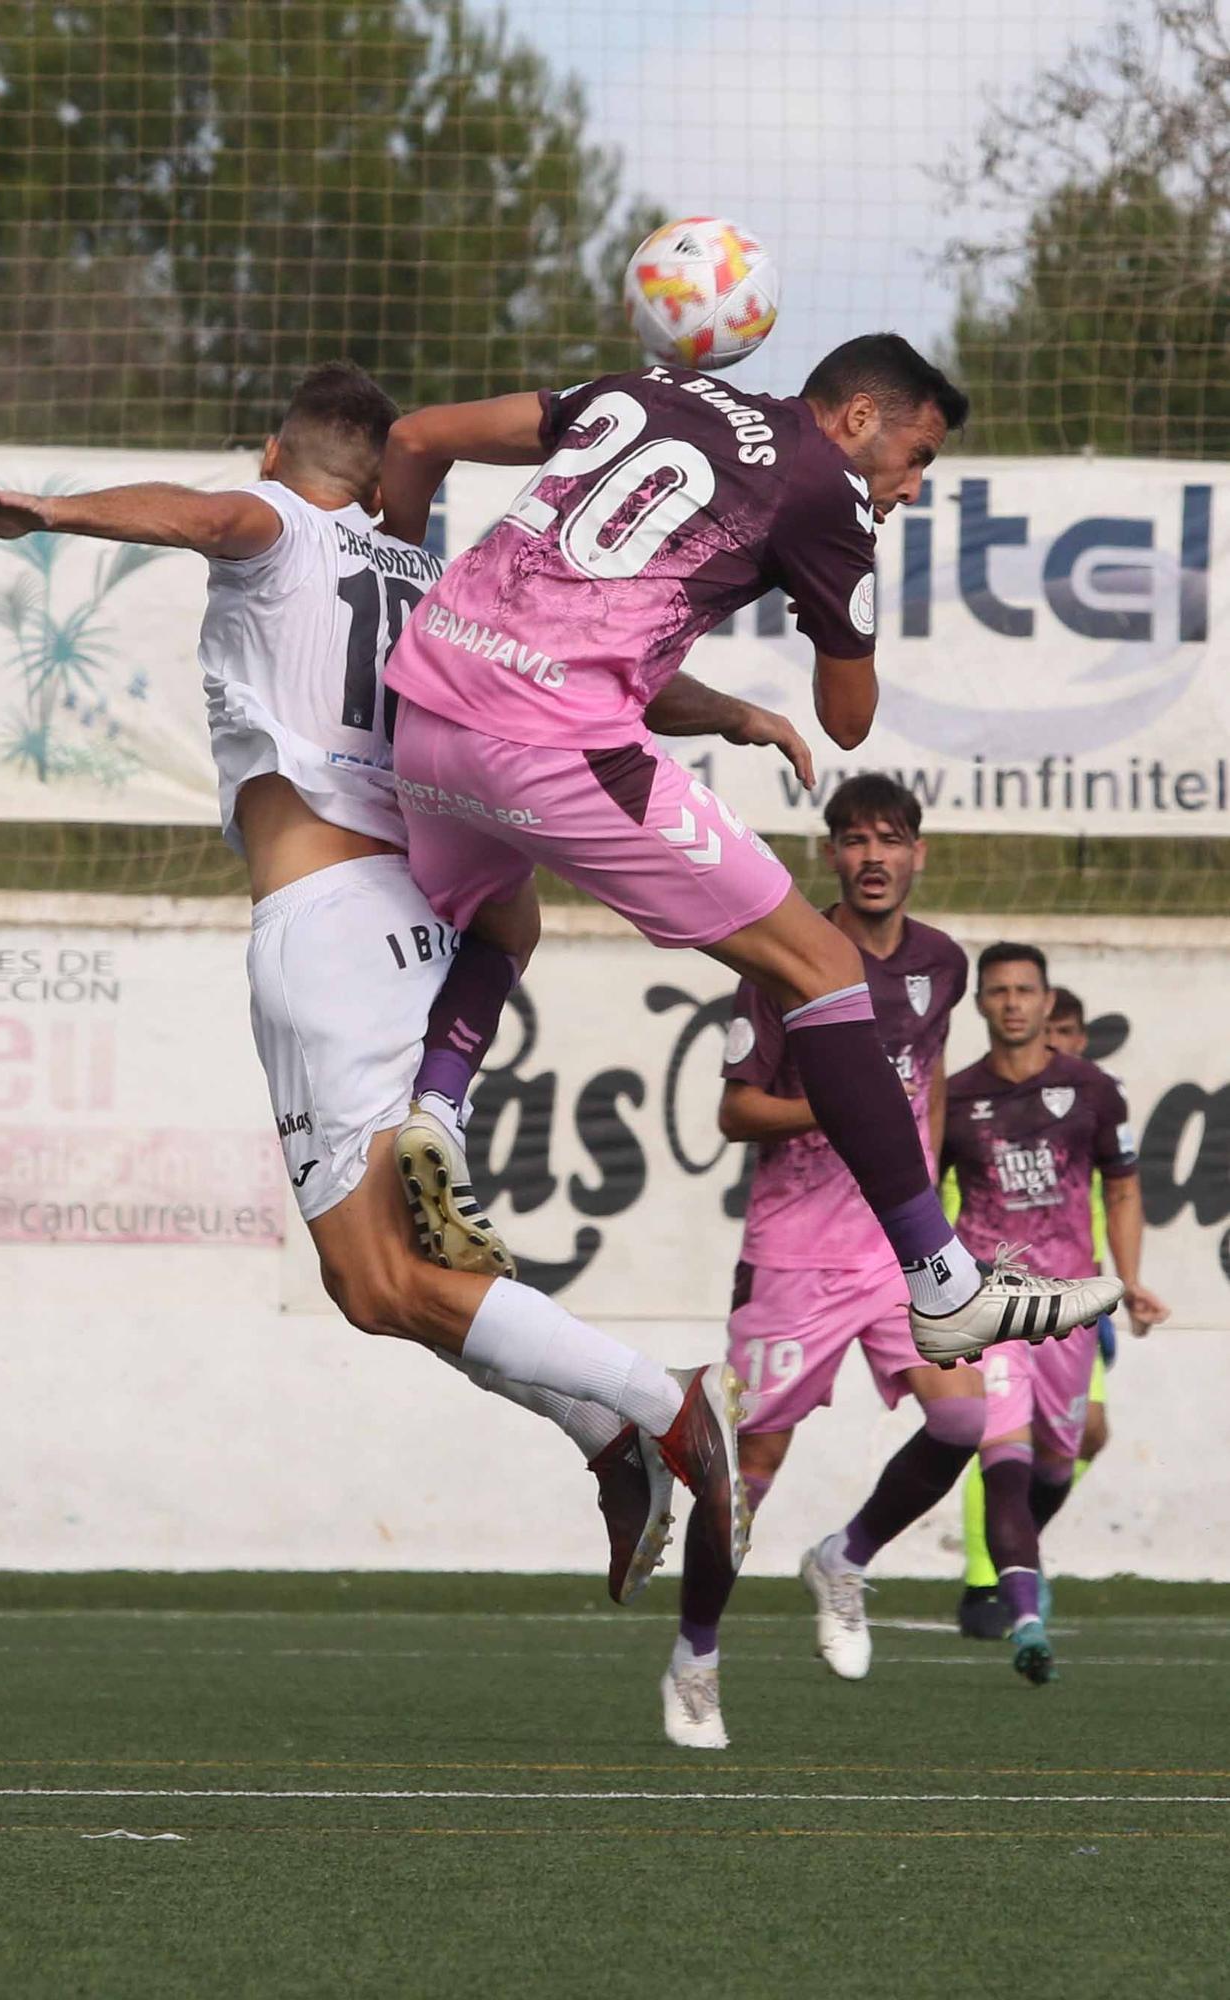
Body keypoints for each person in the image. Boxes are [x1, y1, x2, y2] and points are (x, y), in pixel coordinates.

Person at [0, 359, 817, 1597]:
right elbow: (603, 680)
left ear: (272, 450)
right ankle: (605, 1428)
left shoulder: (274, 520)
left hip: (328, 929)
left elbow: (202, 519)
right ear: (379, 470)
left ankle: (661, 1403)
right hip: (428, 916)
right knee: (376, 1281)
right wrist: (731, 711)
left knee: (385, 1280)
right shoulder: (441, 581)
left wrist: (51, 513)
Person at [378, 332, 1121, 1367]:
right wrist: (851, 560)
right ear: (860, 418)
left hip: (424, 706)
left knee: (505, 910)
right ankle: (943, 1281)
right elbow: (851, 717)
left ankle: (434, 1113)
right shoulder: (828, 491)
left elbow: (413, 439)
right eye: (916, 457)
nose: (910, 487)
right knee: (823, 967)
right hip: (550, 745)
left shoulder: (645, 386)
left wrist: (728, 710)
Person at [660, 774, 982, 1750]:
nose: (874, 855)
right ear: (830, 855)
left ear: (918, 854)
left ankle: (844, 1556)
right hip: (794, 1254)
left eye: (891, 838)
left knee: (965, 1413)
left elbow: (924, 1079)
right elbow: (733, 1112)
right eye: (854, 839)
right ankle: (696, 1657)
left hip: (896, 1243)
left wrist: (928, 1201)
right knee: (749, 1466)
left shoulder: (943, 962)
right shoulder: (781, 960)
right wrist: (846, 1107)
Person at [942, 944, 1170, 1684]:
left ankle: (1014, 1567)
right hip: (991, 1308)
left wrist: (1131, 1280)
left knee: (1058, 1461)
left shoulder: (1094, 1091)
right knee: (1000, 1458)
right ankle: (1025, 1617)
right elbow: (917, 1199)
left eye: (1025, 990)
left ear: (1048, 1003)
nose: (1012, 1003)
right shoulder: (955, 1098)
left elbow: (1124, 1188)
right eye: (998, 991)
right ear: (980, 1003)